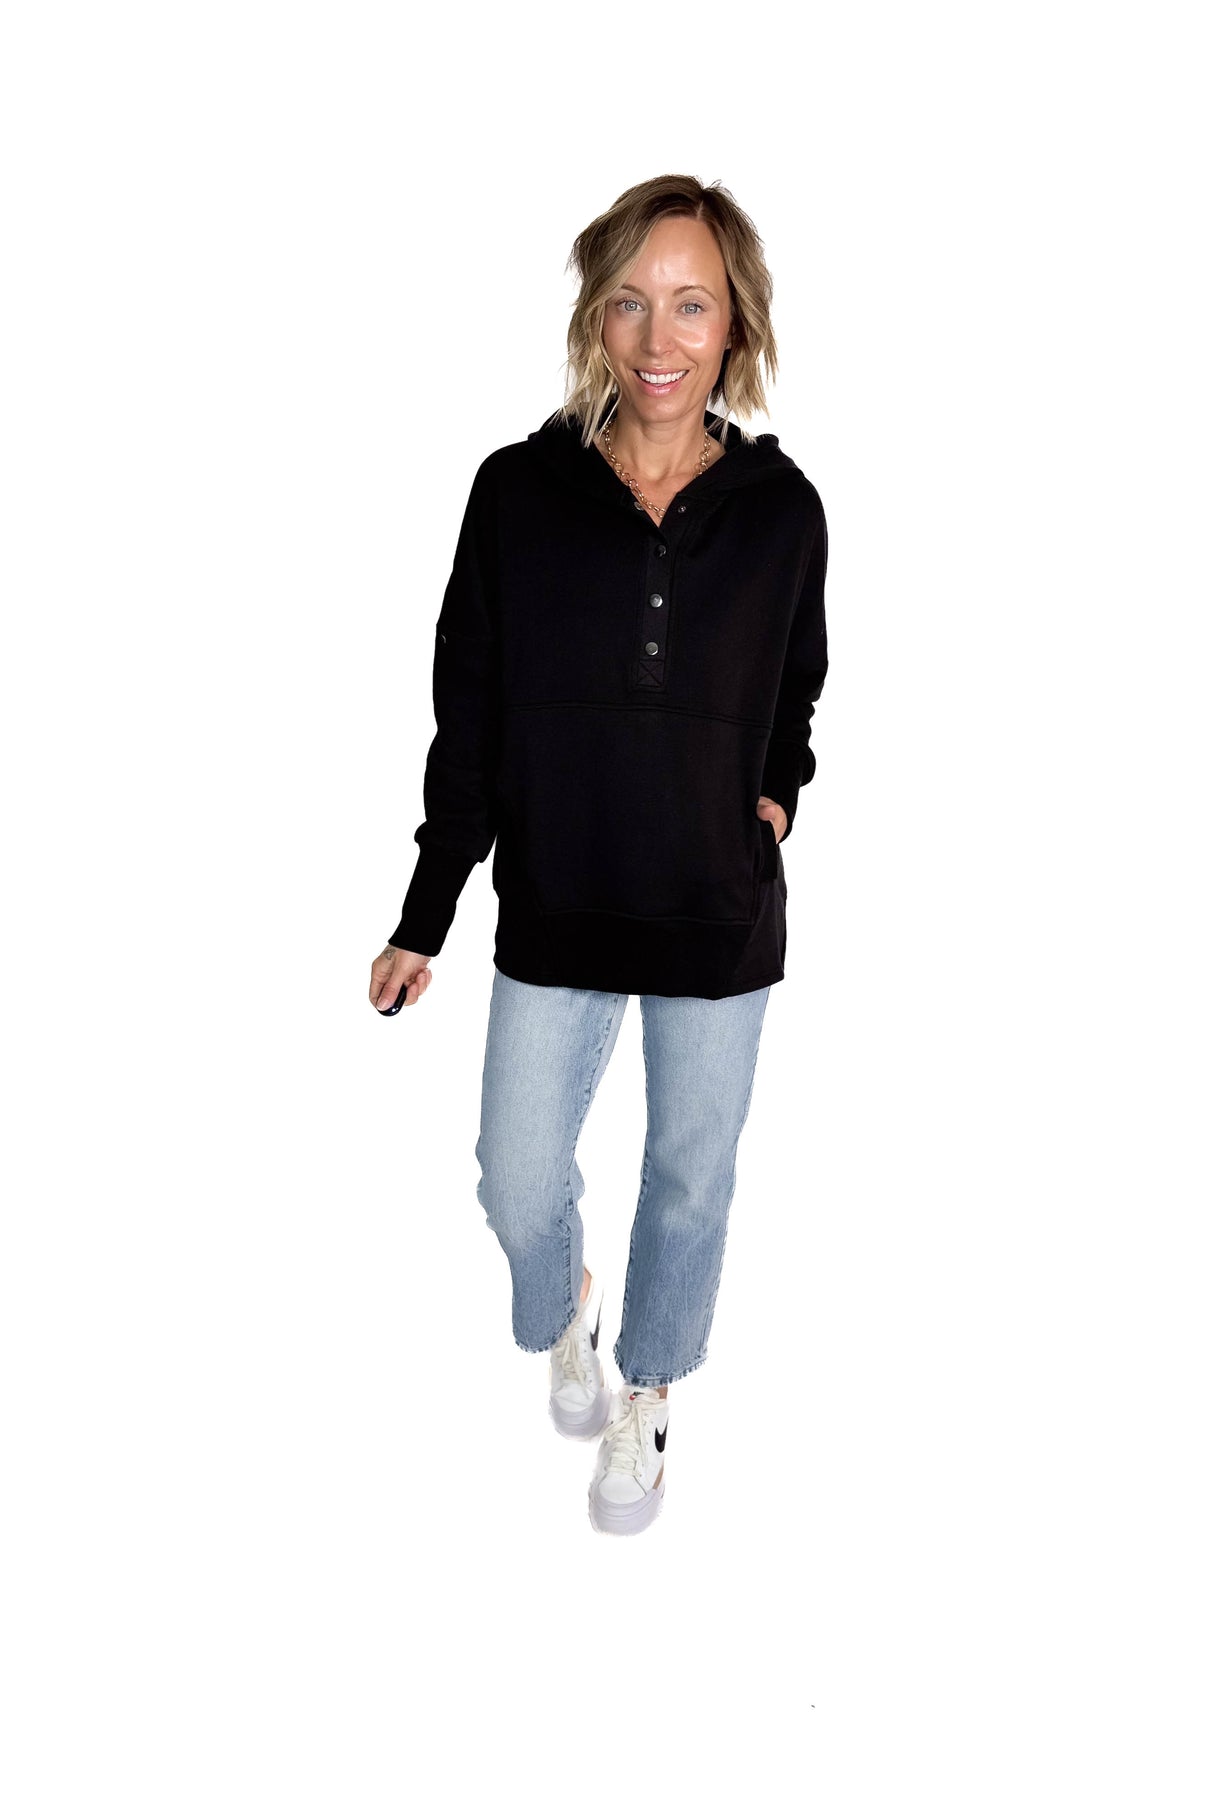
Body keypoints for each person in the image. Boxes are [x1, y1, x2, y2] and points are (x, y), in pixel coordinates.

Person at [368, 174, 829, 1536]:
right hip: (559, 899)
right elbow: (469, 716)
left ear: (734, 323)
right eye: (629, 302)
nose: (657, 337)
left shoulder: (782, 509)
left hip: (714, 911)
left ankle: (649, 1387)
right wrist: (425, 913)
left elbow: (794, 687)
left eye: (690, 304)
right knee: (516, 1180)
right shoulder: (516, 491)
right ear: (594, 318)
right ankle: (565, 1299)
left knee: (690, 1179)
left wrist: (775, 801)